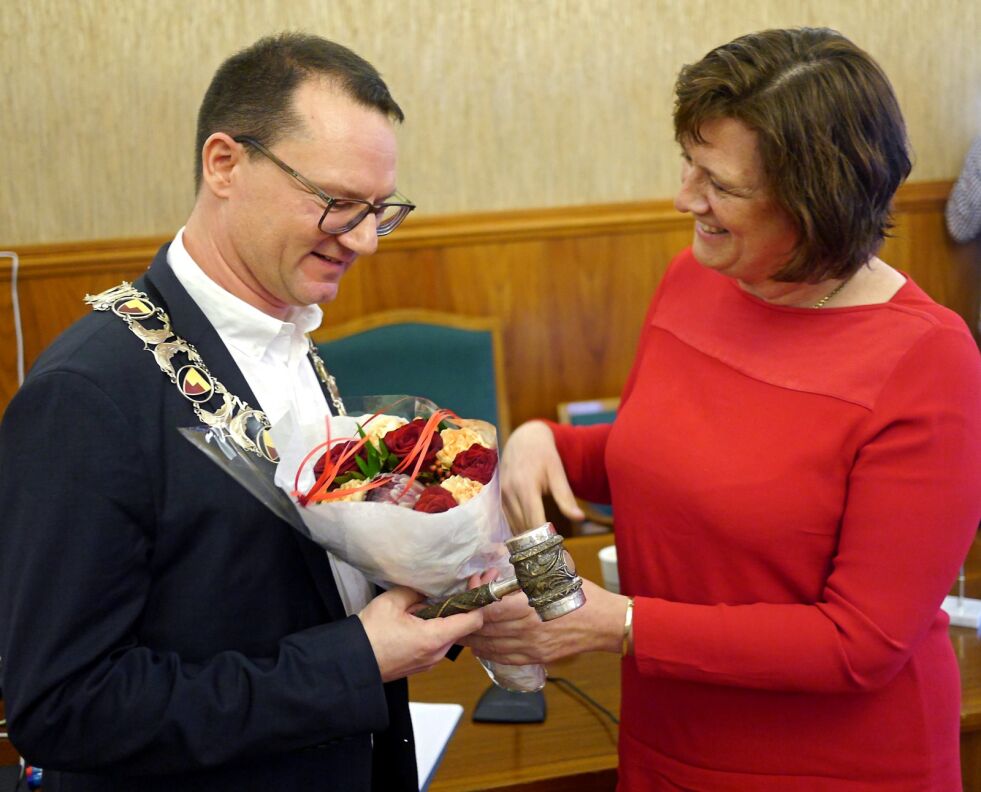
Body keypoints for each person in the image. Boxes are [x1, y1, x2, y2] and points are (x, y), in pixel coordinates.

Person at [465, 28, 981, 790]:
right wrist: (546, 442)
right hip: (665, 737)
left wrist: (625, 623)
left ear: (817, 203)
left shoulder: (926, 360)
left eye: (719, 184)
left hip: (832, 765)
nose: (684, 198)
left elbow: (858, 643)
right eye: (688, 164)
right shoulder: (695, 278)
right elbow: (670, 459)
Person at [0, 33, 483, 792]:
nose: (364, 240)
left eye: (377, 210)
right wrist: (354, 662)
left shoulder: (293, 338)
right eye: (336, 203)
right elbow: (64, 708)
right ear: (224, 164)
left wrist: (452, 592)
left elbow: (302, 587)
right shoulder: (85, 395)